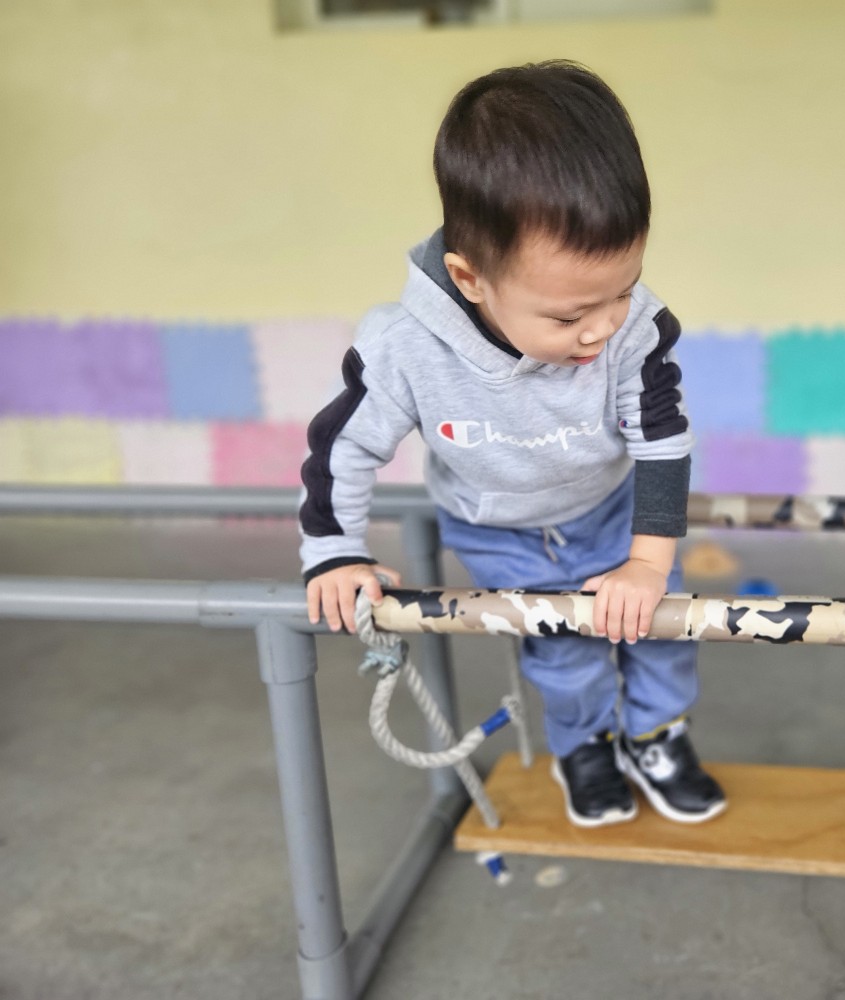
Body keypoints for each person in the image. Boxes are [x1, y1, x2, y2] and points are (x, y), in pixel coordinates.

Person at [298, 60, 726, 829]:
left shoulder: (634, 328)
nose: (601, 328)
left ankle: (657, 736)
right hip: (499, 532)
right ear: (470, 279)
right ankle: (585, 744)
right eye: (567, 317)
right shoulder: (403, 348)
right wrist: (335, 553)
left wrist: (645, 563)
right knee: (565, 654)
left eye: (621, 290)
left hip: (612, 512)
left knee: (662, 633)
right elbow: (342, 448)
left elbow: (663, 442)